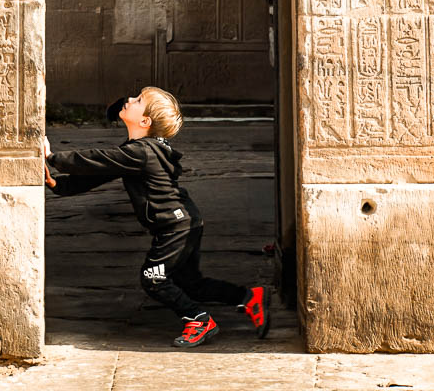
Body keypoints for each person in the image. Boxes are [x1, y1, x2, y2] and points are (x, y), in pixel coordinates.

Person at [44, 87, 270, 348]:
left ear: (145, 122)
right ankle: (249, 297)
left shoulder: (142, 152)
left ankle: (199, 320)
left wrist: (53, 157)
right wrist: (58, 185)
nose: (128, 100)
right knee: (191, 284)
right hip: (186, 221)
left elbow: (97, 158)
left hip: (175, 225)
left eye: (138, 100)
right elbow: (100, 172)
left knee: (153, 277)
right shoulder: (138, 151)